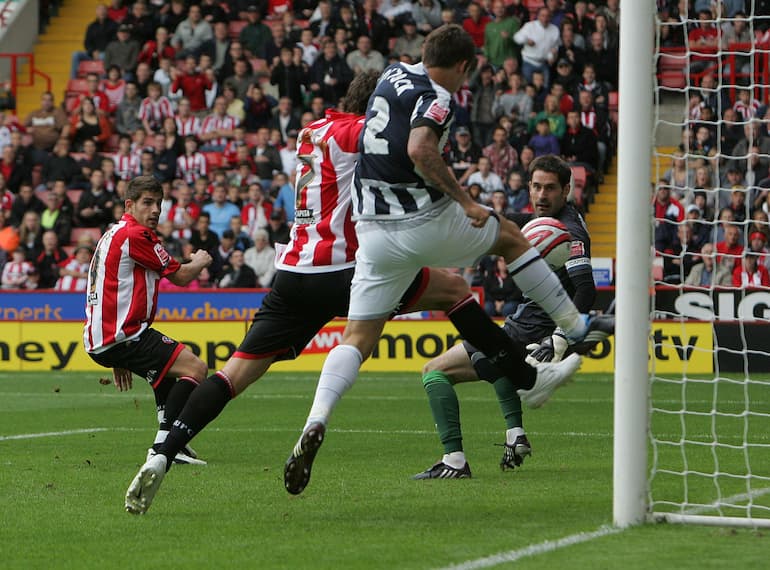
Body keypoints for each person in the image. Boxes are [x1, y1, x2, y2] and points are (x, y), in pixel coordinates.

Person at [280, 26, 605, 495]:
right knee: (511, 238)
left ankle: (317, 419)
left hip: (372, 235)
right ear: (463, 67)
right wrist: (465, 201)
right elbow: (419, 147)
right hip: (420, 219)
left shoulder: (390, 75)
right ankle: (571, 332)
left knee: (358, 338)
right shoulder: (439, 96)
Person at [414, 154, 606, 478]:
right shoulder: (546, 222)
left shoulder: (570, 232)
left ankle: (453, 461)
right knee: (498, 360)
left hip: (534, 332)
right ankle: (515, 435)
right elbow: (508, 219)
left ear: (566, 190)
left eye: (550, 188)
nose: (541, 195)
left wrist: (559, 338)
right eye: (536, 187)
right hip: (525, 324)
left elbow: (586, 290)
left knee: (434, 372)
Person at [84, 176, 213, 469]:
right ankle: (164, 446)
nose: (155, 210)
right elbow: (181, 276)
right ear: (129, 204)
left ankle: (173, 442)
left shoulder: (111, 234)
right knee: (196, 368)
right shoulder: (135, 234)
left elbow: (97, 286)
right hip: (123, 334)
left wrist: (114, 348)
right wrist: (200, 260)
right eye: (147, 203)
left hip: (106, 337)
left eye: (159, 203)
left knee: (164, 373)